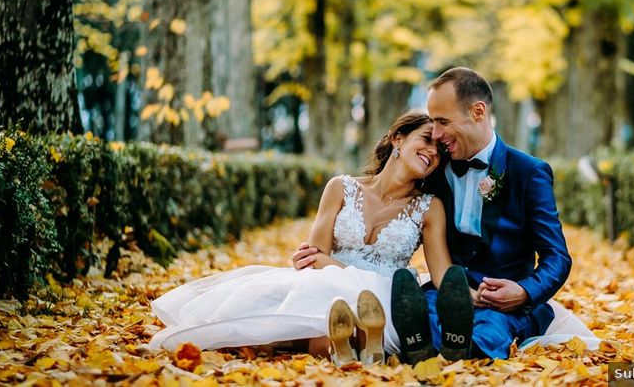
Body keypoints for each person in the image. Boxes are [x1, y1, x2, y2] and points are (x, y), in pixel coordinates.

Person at [147, 111, 453, 365]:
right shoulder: (340, 188)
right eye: (427, 140)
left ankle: (365, 339)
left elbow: (443, 276)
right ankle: (359, 348)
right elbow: (313, 256)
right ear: (397, 138)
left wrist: (478, 295)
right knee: (323, 327)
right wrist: (341, 272)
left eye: (439, 151)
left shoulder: (429, 207)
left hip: (387, 295)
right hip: (328, 286)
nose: (432, 152)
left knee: (348, 311)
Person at [390, 66, 587, 362]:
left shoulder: (528, 172)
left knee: (489, 332)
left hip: (504, 306)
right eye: (433, 122)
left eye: (443, 121)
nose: (436, 133)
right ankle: (431, 343)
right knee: (418, 314)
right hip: (446, 291)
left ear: (478, 112)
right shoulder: (433, 168)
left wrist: (523, 291)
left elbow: (557, 256)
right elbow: (389, 200)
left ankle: (454, 348)